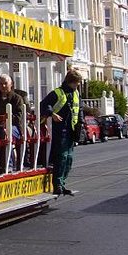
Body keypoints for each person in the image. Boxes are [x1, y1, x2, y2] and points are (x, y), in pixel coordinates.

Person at [40, 68, 84, 196]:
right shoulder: (57, 93)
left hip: (71, 130)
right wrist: (51, 114)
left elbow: (79, 109)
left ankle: (63, 183)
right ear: (70, 82)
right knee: (62, 158)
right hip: (60, 130)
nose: (77, 86)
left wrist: (80, 124)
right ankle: (58, 184)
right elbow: (44, 104)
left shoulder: (76, 94)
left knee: (69, 159)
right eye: (76, 83)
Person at [0, 74, 25, 172]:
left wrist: (6, 118)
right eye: (1, 84)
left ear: (11, 84)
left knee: (5, 134)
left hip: (14, 127)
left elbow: (18, 118)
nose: (3, 86)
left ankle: (8, 164)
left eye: (5, 83)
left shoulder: (17, 98)